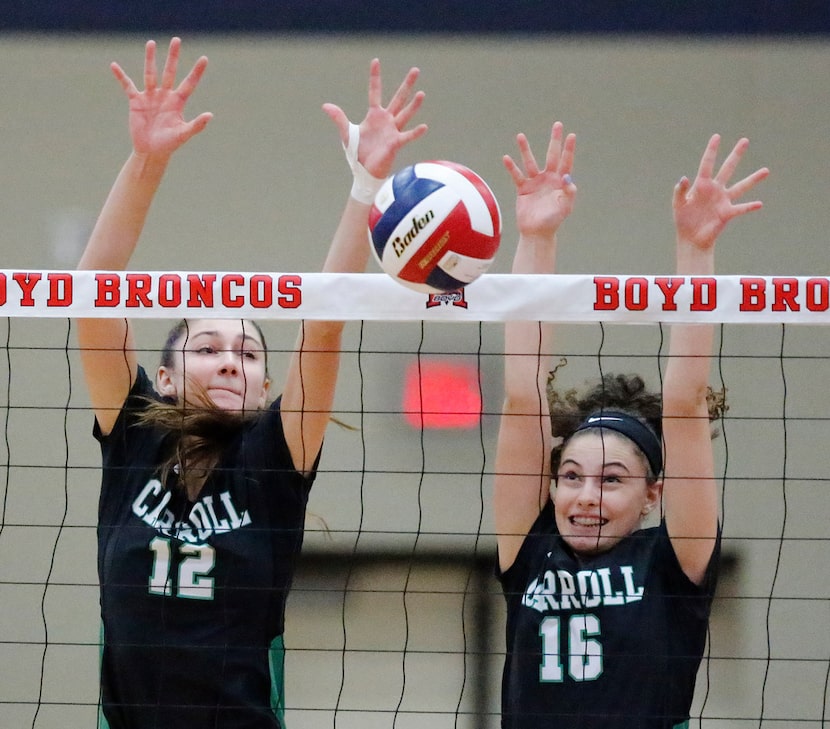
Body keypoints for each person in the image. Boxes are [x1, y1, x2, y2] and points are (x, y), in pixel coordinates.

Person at [76, 38, 427, 728]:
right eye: (208, 348)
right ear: (168, 377)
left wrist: (366, 187)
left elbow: (323, 326)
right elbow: (92, 296)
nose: (233, 360)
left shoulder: (274, 459)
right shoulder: (134, 437)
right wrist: (147, 159)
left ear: (266, 385)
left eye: (249, 351)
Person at [493, 126, 768, 728]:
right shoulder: (530, 549)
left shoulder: (674, 562)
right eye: (570, 476)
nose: (585, 495)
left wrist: (694, 253)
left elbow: (686, 404)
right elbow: (521, 394)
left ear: (653, 495)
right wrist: (536, 237)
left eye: (612, 480)